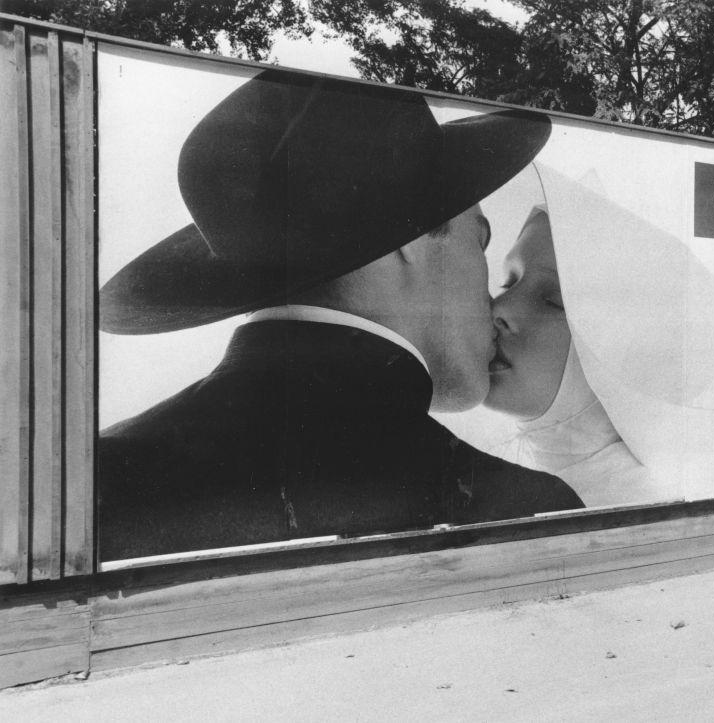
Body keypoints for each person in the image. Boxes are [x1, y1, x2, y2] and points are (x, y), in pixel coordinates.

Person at [97, 70, 583, 560]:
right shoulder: (519, 512)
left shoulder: (85, 477)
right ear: (413, 238)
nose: (493, 301)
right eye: (479, 240)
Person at [484, 206, 672, 507]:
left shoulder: (634, 508)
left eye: (551, 301)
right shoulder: (501, 483)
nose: (499, 307)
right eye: (509, 282)